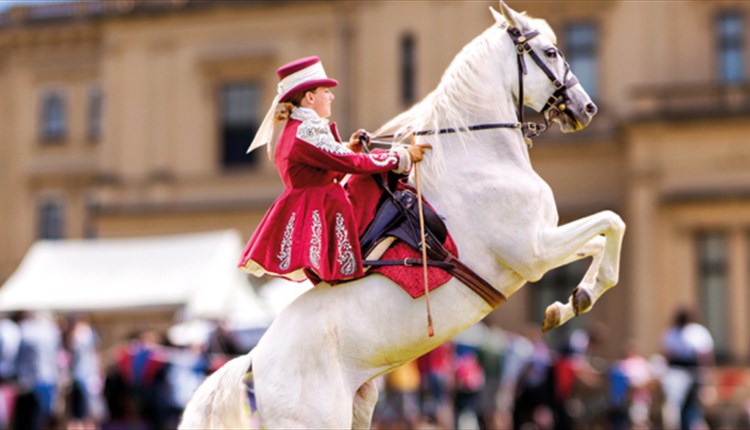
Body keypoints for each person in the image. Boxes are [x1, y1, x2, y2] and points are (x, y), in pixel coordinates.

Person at [238, 56, 429, 284]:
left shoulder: (293, 129)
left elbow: (325, 163)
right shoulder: (309, 128)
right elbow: (351, 164)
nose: (331, 96)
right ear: (310, 98)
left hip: (310, 204)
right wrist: (402, 155)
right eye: (325, 91)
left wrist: (350, 148)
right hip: (323, 206)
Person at [661, 307, 714, 430]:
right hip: (676, 372)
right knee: (676, 406)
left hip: (693, 372)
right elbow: (668, 355)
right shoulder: (672, 332)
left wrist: (707, 375)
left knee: (692, 407)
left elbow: (705, 355)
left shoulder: (697, 332)